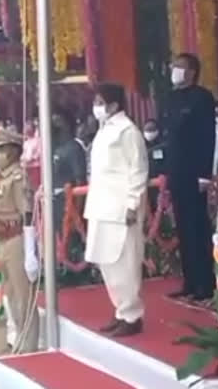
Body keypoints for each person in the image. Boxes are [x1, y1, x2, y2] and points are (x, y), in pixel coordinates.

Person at [84, 83, 147, 337]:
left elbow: (138, 170)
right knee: (106, 261)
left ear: (113, 104)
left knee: (124, 262)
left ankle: (133, 315)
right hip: (101, 205)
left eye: (100, 102)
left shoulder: (128, 131)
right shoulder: (104, 130)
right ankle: (120, 310)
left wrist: (133, 203)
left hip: (121, 206)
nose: (96, 107)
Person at [161, 53, 216, 302]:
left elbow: (207, 138)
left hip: (196, 173)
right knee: (183, 229)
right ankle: (189, 281)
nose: (174, 70)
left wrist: (205, 174)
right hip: (177, 172)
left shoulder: (202, 98)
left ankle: (205, 283)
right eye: (173, 66)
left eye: (180, 66)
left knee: (198, 228)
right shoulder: (171, 98)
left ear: (192, 71)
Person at [0, 128, 40, 353]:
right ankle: (20, 339)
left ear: (12, 152)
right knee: (11, 296)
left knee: (23, 298)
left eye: (1, 150)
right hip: (2, 241)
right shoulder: (3, 176)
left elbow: (27, 212)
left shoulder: (18, 177)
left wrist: (30, 250)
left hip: (17, 241)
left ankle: (29, 346)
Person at [52, 108, 87, 231]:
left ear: (67, 125)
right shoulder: (55, 147)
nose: (53, 125)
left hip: (69, 206)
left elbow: (80, 181)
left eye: (57, 121)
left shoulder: (74, 148)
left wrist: (77, 211)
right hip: (55, 205)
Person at [143, 118, 165, 212]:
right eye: (147, 130)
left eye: (151, 129)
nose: (149, 132)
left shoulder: (163, 145)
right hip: (146, 181)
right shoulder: (142, 145)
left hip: (161, 182)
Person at [21, 119, 41, 190]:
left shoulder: (38, 141)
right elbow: (24, 154)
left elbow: (39, 154)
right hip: (27, 168)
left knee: (36, 187)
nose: (26, 129)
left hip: (35, 167)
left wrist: (31, 158)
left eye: (28, 127)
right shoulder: (26, 143)